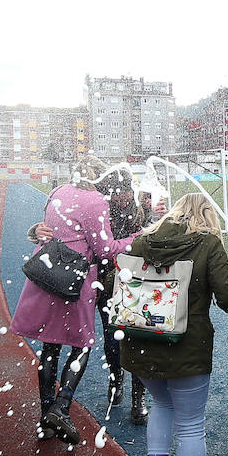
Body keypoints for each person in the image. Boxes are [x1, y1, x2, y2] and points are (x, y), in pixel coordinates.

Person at [117, 194, 228, 456]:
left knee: (160, 405)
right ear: (207, 216)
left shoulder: (143, 241)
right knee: (190, 424)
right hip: (186, 348)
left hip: (141, 343)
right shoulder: (207, 243)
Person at [11, 156, 135, 445]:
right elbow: (105, 250)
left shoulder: (58, 192)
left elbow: (52, 229)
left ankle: (45, 415)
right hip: (75, 278)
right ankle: (62, 406)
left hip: (47, 271)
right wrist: (136, 238)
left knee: (50, 346)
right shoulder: (95, 201)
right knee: (81, 344)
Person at [94, 164, 152, 424]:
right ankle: (116, 379)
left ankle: (138, 397)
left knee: (138, 338)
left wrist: (155, 218)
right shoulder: (98, 213)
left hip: (137, 283)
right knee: (111, 338)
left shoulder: (142, 211)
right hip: (106, 284)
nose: (123, 197)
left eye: (127, 190)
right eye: (117, 192)